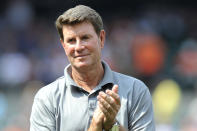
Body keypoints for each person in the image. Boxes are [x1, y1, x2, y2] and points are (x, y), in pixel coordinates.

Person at [30, 5, 155, 131]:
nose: (78, 47)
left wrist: (112, 126)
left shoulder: (135, 91)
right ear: (63, 45)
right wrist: (95, 126)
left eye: (85, 38)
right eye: (71, 40)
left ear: (101, 38)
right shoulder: (46, 99)